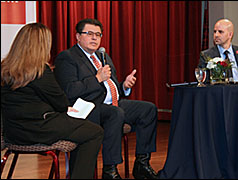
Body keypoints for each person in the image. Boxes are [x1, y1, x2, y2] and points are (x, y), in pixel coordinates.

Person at [53, 18, 158, 179]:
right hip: (88, 108)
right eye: (89, 34)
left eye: (98, 34)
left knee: (148, 109)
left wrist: (124, 86)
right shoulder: (68, 57)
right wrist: (97, 79)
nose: (94, 38)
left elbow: (111, 89)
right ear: (78, 36)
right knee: (115, 114)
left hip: (112, 104)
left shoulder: (103, 56)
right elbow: (69, 91)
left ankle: (142, 164)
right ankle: (110, 169)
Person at [1, 23, 104, 179]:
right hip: (38, 130)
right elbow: (61, 103)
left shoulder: (4, 68)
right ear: (43, 45)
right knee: (94, 132)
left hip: (13, 131)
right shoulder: (40, 70)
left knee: (82, 129)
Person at [198, 18, 238, 83]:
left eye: (220, 32)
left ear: (230, 34)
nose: (216, 35)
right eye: (215, 32)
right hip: (221, 91)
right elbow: (203, 78)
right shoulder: (207, 55)